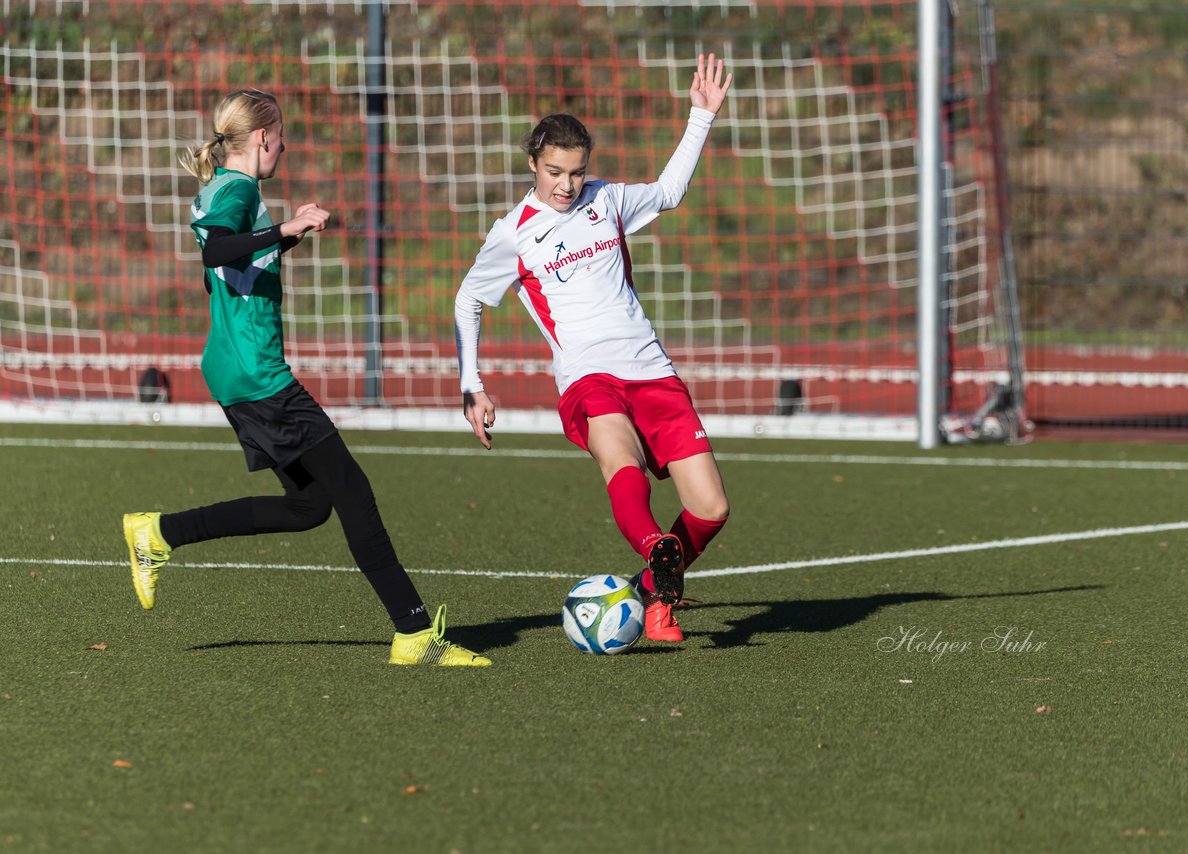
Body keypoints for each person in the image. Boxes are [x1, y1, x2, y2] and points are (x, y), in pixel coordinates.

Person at [124, 88, 489, 667]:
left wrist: (286, 236)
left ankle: (159, 533)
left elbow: (240, 263)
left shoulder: (221, 187)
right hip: (257, 371)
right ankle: (415, 633)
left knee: (309, 506)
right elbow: (218, 253)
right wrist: (286, 226)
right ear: (263, 137)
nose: (286, 146)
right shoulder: (239, 188)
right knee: (353, 491)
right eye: (282, 136)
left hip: (234, 367)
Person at [454, 55, 733, 643]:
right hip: (587, 376)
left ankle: (655, 593)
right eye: (555, 171)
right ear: (534, 163)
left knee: (710, 508)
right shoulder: (513, 233)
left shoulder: (606, 200)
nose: (567, 185)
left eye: (577, 172)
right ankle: (657, 548)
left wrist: (700, 116)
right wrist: (471, 384)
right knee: (620, 461)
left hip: (652, 369)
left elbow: (669, 192)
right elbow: (468, 301)